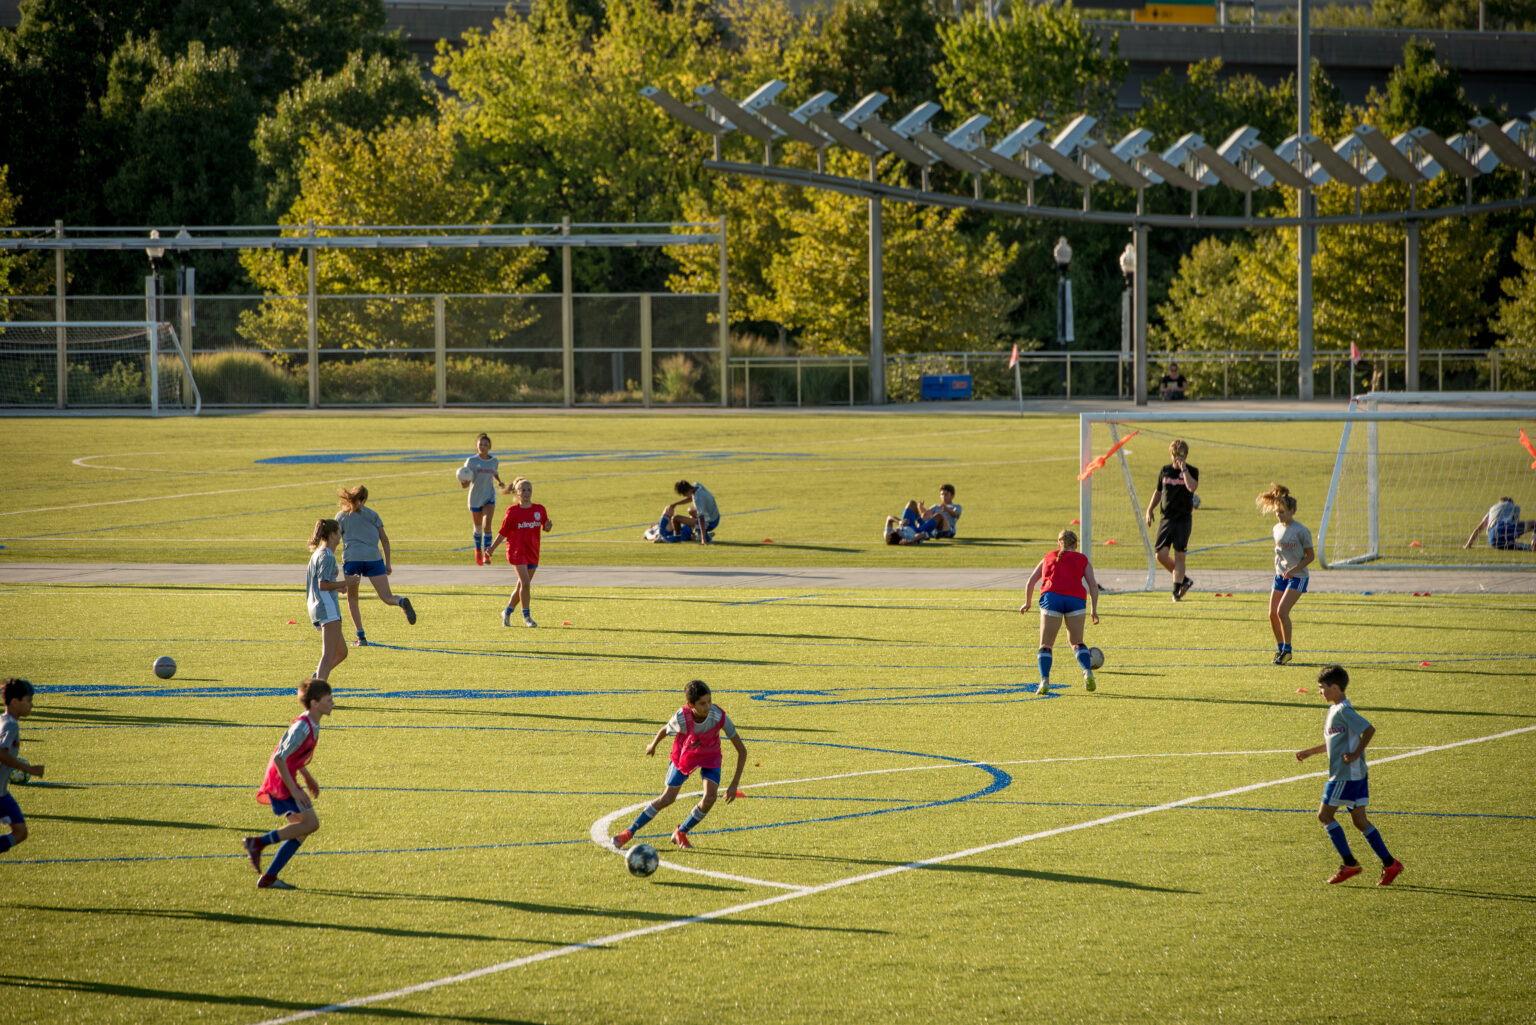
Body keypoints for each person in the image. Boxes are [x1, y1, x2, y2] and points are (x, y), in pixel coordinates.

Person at [1294, 665, 1404, 886]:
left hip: (1345, 776)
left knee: (1324, 816)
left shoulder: (1344, 710)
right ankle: (1390, 863)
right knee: (1359, 820)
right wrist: (1310, 752)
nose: (1320, 692)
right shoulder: (1335, 710)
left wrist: (1355, 754)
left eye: (1322, 687)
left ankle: (1350, 863)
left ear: (1335, 687)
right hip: (1354, 775)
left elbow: (1369, 729)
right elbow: (1333, 743)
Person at [612, 679, 747, 851]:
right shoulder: (682, 717)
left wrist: (734, 784)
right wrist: (652, 745)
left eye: (710, 701)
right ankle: (629, 832)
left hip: (710, 756)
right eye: (702, 703)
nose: (708, 707)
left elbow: (742, 751)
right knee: (668, 798)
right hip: (685, 755)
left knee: (710, 797)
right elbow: (664, 730)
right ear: (690, 704)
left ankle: (681, 832)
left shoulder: (718, 716)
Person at [243, 677, 334, 890]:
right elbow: (280, 757)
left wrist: (307, 776)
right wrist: (294, 789)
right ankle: (258, 843)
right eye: (328, 699)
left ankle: (269, 878)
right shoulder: (302, 727)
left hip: (286, 777)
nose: (333, 703)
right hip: (281, 781)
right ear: (314, 703)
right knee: (311, 824)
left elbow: (294, 755)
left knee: (300, 831)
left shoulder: (312, 721)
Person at [1019, 528, 1101, 694]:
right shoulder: (1082, 559)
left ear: (1059, 543)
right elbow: (1093, 585)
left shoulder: (1049, 556)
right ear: (1076, 545)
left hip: (1052, 599)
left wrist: (1027, 603)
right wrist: (1094, 610)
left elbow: (1030, 582)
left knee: (1046, 645)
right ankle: (1087, 672)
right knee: (1077, 642)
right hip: (1075, 600)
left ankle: (1044, 681)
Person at [335, 485, 415, 647]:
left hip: (353, 558)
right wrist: (387, 562)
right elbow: (384, 539)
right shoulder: (372, 515)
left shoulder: (341, 516)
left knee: (352, 598)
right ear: (364, 499)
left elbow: (335, 539)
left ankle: (361, 636)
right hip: (373, 558)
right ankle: (401, 602)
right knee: (386, 597)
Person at [1258, 483, 1313, 666]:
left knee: (1282, 611)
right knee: (1272, 613)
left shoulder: (1301, 531)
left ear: (1292, 511)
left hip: (1298, 577)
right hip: (1281, 576)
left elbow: (1310, 556)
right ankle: (1281, 648)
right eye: (1276, 512)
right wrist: (1281, 569)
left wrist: (1294, 569)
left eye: (1282, 512)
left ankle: (1288, 651)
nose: (1279, 515)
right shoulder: (1276, 529)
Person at [487, 476, 552, 628]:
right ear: (517, 492)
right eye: (523, 490)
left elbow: (545, 526)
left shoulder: (539, 510)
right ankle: (527, 617)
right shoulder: (512, 512)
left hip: (532, 551)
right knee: (526, 583)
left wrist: (548, 527)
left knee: (521, 587)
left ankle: (507, 612)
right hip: (516, 552)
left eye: (529, 490)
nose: (527, 492)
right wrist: (492, 548)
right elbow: (503, 532)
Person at [1144, 439, 1200, 602]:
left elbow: (1192, 487)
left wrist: (1184, 471)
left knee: (1180, 555)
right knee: (1160, 555)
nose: (1177, 458)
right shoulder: (1165, 471)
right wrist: (1149, 509)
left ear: (1186, 455)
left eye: (1181, 454)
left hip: (1182, 520)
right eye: (1175, 454)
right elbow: (1158, 492)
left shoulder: (1192, 471)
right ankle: (1184, 580)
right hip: (1166, 519)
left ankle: (1176, 591)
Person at [306, 519, 359, 682]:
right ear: (331, 535)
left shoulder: (320, 554)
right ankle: (316, 690)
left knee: (341, 652)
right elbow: (323, 585)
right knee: (328, 655)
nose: (340, 536)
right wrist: (347, 583)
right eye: (338, 533)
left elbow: (321, 582)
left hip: (319, 606)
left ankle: (317, 678)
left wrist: (340, 587)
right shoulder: (326, 556)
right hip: (326, 608)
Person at [0, 678, 43, 855]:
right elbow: (1, 753)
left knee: (21, 832)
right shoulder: (9, 725)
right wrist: (29, 769)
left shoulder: (4, 721)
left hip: (2, 793)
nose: (31, 705)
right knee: (20, 832)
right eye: (28, 700)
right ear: (15, 702)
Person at [461, 433, 505, 565]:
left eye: (486, 444)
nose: (483, 446)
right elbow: (466, 478)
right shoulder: (471, 461)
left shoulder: (494, 461)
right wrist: (463, 482)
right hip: (475, 497)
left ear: (490, 446)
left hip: (489, 496)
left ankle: (487, 553)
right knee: (478, 528)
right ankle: (477, 550)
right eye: (481, 444)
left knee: (487, 525)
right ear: (477, 446)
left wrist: (499, 482)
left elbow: (494, 473)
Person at [1464, 497, 1535, 552]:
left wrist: (1468, 544)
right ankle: (1534, 542)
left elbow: (1479, 528)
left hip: (1493, 539)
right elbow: (1515, 524)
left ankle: (1512, 544)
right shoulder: (1515, 507)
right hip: (1505, 529)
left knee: (1510, 544)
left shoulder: (1492, 509)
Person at [671, 480, 719, 545]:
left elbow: (701, 519)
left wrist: (703, 540)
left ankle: (677, 538)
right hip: (715, 516)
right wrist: (675, 504)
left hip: (710, 522)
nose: (684, 496)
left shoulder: (698, 499)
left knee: (675, 518)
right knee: (690, 510)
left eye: (683, 494)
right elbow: (691, 497)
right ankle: (699, 532)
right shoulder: (697, 485)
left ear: (685, 492)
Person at [884, 500, 949, 546]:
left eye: (895, 529)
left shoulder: (888, 535)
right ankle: (937, 533)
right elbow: (923, 534)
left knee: (912, 503)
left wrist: (899, 521)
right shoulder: (908, 538)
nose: (897, 529)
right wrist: (912, 540)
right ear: (901, 537)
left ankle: (921, 521)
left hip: (907, 523)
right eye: (898, 531)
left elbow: (889, 518)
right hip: (918, 530)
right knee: (939, 516)